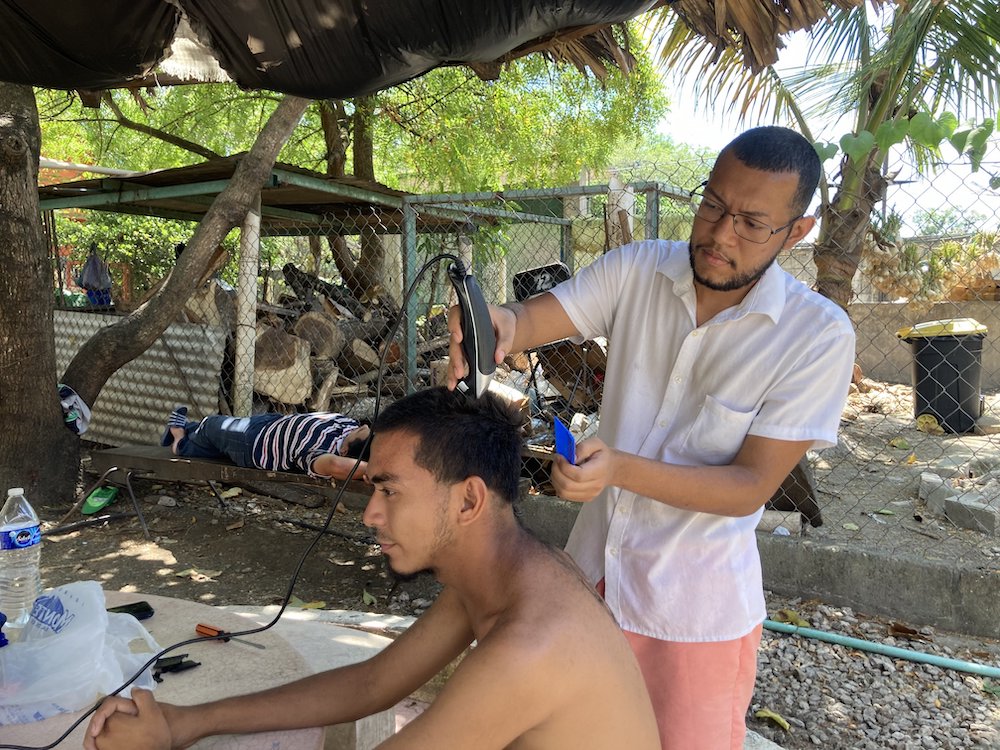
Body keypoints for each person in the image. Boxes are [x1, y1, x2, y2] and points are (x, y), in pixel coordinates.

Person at [447, 126, 856, 749]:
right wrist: (493, 325)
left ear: (796, 232)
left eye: (751, 223)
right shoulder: (639, 268)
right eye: (713, 204)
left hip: (695, 613)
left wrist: (617, 470)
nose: (720, 234)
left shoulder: (817, 336)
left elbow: (749, 487)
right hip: (591, 578)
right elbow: (528, 320)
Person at [86, 387, 660, 750]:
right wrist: (185, 722)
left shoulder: (532, 644)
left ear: (468, 501)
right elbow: (373, 682)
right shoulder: (506, 575)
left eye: (389, 490)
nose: (371, 515)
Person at [161, 405, 371, 481]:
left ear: (344, 450)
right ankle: (189, 431)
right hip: (270, 422)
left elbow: (336, 466)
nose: (362, 427)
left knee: (211, 425)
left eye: (360, 432)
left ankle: (179, 441)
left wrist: (377, 471)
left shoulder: (322, 454)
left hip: (251, 442)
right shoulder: (349, 426)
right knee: (214, 443)